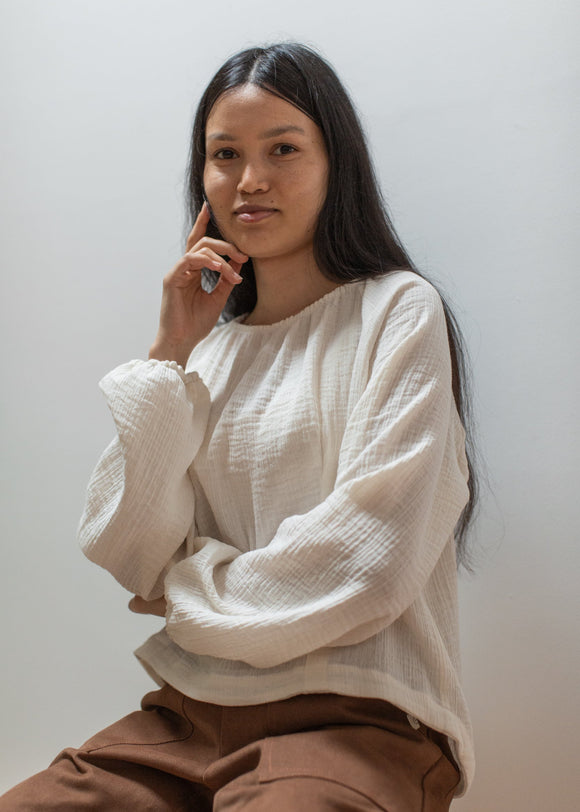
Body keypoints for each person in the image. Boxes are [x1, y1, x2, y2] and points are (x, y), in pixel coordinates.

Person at [1, 42, 478, 810]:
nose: (249, 179)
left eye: (282, 149)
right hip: (185, 722)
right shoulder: (211, 356)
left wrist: (185, 588)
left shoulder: (395, 309)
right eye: (224, 155)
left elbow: (368, 567)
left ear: (336, 165)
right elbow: (128, 548)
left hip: (358, 721)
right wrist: (170, 354)